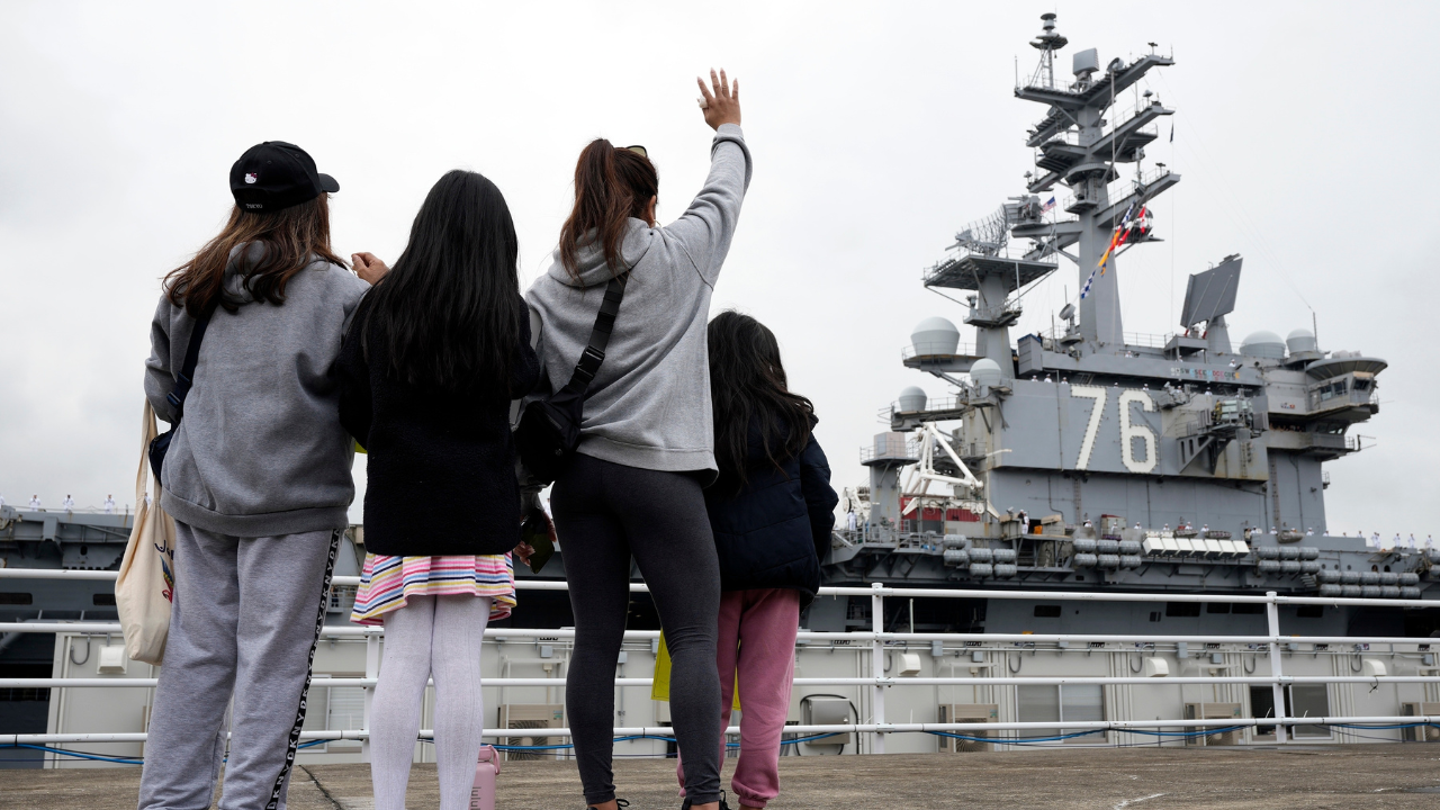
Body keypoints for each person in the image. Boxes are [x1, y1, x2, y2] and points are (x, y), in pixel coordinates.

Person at [526, 68, 750, 810]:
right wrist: (728, 125)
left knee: (595, 641)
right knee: (689, 637)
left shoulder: (551, 284)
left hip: (582, 479)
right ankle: (704, 801)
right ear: (651, 203)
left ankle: (601, 801)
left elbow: (508, 360)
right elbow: (726, 189)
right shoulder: (680, 254)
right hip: (662, 474)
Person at [139, 141, 372, 810]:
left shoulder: (192, 285)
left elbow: (163, 389)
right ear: (311, 209)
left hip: (202, 497)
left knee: (194, 665)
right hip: (294, 510)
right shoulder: (341, 295)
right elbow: (368, 404)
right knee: (273, 676)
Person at [336, 170, 539, 810]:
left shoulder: (382, 306)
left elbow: (351, 406)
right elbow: (528, 376)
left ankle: (387, 804)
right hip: (478, 510)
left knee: (400, 660)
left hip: (400, 506)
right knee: (457, 664)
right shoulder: (506, 316)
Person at [676, 311, 837, 810]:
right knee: (767, 697)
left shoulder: (693, 419)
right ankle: (755, 798)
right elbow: (822, 498)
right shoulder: (794, 421)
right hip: (780, 578)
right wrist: (807, 559)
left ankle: (698, 791)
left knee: (710, 690)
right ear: (768, 362)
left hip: (712, 575)